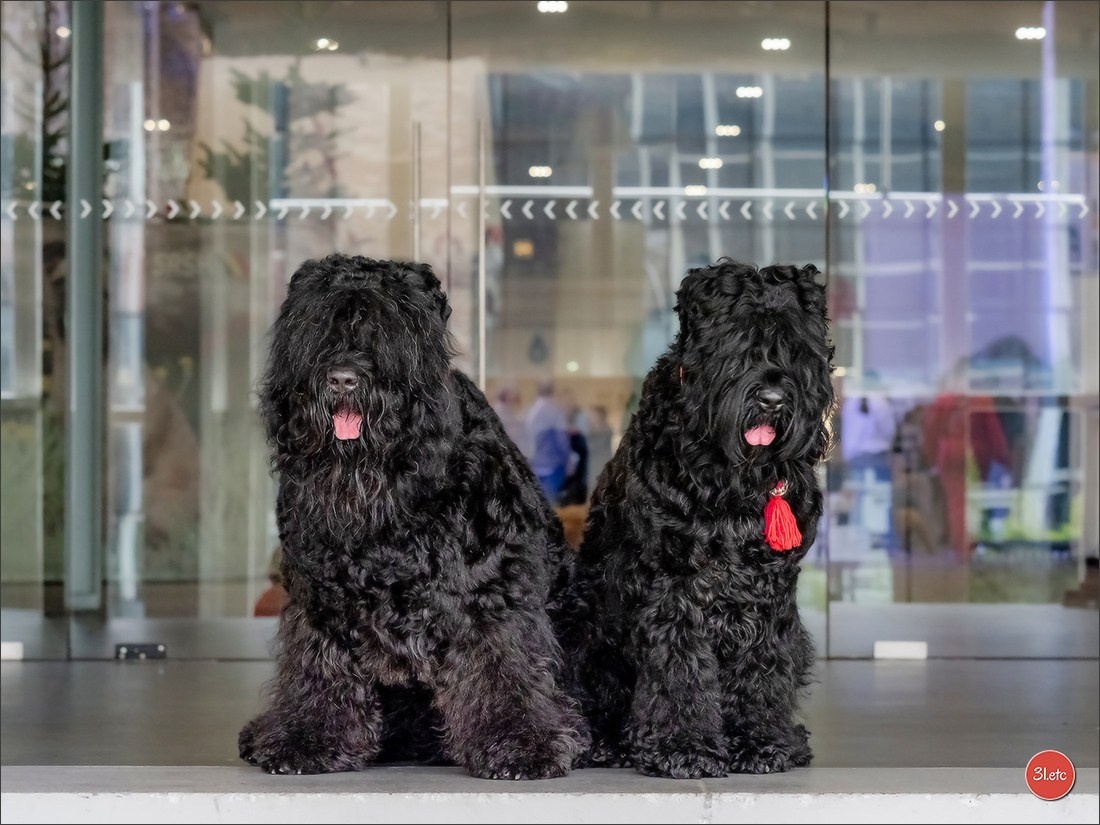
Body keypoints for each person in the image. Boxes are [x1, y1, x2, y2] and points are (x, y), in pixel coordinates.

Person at [524, 379, 571, 502]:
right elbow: (562, 440)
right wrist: (568, 460)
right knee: (550, 504)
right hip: (552, 466)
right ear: (552, 390)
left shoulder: (530, 411)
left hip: (535, 464)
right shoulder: (554, 411)